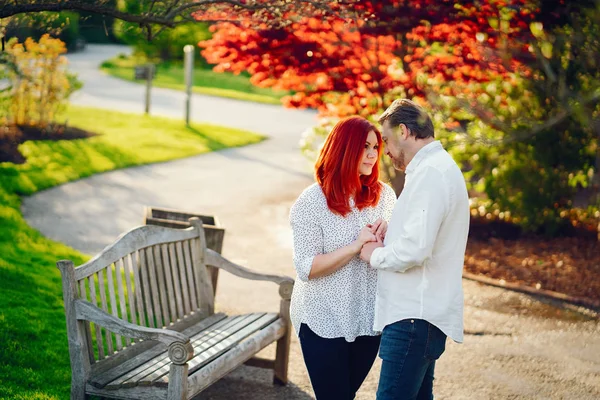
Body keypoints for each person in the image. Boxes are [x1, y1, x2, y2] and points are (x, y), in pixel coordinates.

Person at [360, 99, 470, 400]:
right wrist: (391, 229)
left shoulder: (431, 174)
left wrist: (373, 255)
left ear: (404, 131)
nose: (384, 149)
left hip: (413, 318)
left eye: (385, 140)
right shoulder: (436, 169)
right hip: (419, 318)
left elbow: (415, 249)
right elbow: (422, 235)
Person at [289, 116, 397, 400]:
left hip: (366, 319)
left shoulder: (384, 196)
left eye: (376, 146)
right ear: (345, 149)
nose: (374, 154)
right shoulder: (312, 202)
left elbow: (392, 253)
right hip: (322, 320)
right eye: (365, 147)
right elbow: (307, 267)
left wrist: (388, 237)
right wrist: (355, 246)